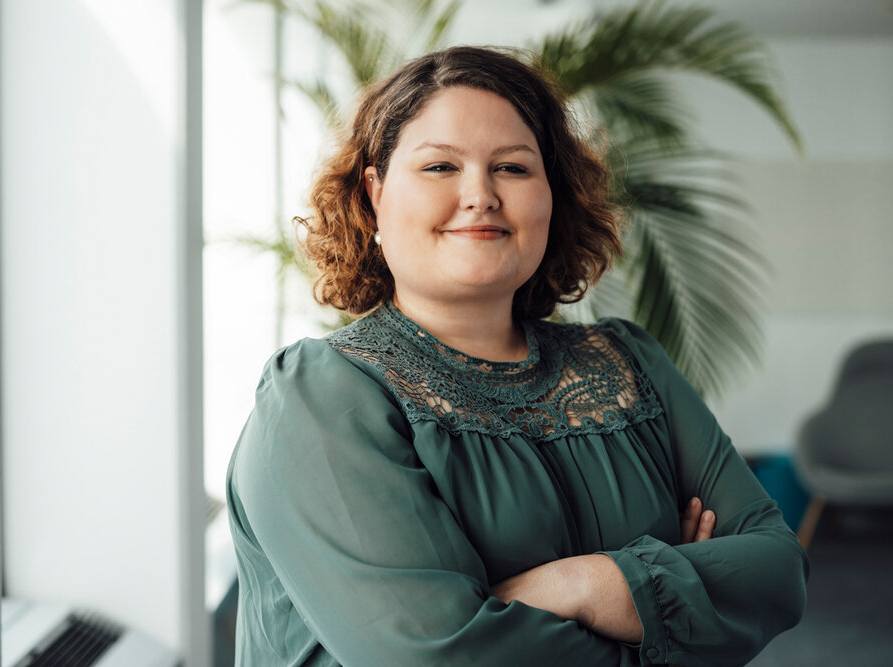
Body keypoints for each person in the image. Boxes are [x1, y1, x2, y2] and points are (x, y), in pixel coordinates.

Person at [226, 45, 808, 666]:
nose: (480, 195)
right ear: (373, 194)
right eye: (440, 168)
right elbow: (439, 659)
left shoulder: (629, 361)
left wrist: (580, 587)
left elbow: (777, 571)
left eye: (512, 167)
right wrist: (683, 613)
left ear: (550, 195)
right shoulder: (321, 397)